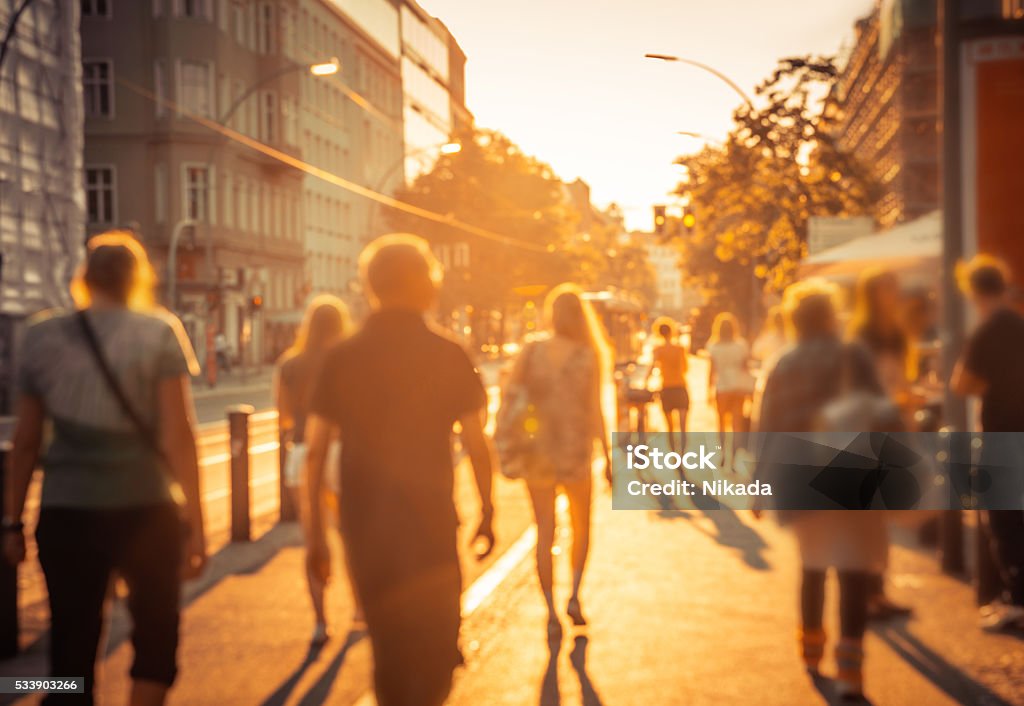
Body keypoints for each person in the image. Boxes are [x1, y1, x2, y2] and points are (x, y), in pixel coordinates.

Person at [2, 232, 207, 706]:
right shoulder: (158, 331)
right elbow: (179, 435)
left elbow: (26, 440)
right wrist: (196, 524)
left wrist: (12, 522)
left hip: (67, 513)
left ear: (84, 279)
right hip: (147, 510)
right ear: (137, 280)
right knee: (157, 637)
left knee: (71, 646)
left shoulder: (41, 336)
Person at [303, 234, 495, 706]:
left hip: (366, 530)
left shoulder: (342, 357)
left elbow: (314, 453)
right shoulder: (448, 354)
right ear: (426, 283)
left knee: (388, 652)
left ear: (371, 286)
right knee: (437, 646)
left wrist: (315, 536)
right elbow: (476, 442)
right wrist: (488, 509)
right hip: (430, 525)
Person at [753, 279, 889, 703]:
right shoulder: (855, 357)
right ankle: (851, 674)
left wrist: (758, 486)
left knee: (812, 568)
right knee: (852, 573)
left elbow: (765, 427)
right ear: (831, 317)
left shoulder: (782, 363)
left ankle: (811, 653)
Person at [506, 284, 612, 639]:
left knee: (545, 531)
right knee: (581, 526)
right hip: (575, 452)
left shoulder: (532, 351)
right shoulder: (587, 355)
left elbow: (510, 398)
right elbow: (596, 410)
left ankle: (550, 610)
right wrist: (609, 456)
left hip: (536, 454)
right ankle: (575, 595)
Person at [274, 294, 358, 645]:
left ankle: (320, 622)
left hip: (304, 454)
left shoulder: (290, 365)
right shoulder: (349, 360)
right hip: (342, 450)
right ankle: (360, 609)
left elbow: (284, 416)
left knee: (314, 538)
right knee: (350, 533)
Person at [952, 255, 1024, 632]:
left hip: (999, 435)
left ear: (973, 291)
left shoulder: (985, 331)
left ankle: (1015, 601)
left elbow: (964, 385)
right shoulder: (1019, 322)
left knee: (1003, 520)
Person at [848, 268, 915, 621]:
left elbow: (902, 381)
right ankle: (867, 593)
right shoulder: (861, 337)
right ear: (873, 295)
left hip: (893, 428)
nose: (895, 295)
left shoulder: (897, 336)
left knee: (882, 515)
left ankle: (878, 590)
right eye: (888, 289)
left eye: (895, 288)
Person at [706, 312, 754, 452]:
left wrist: (708, 391)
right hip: (739, 387)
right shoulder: (741, 345)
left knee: (721, 422)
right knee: (736, 424)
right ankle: (732, 456)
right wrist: (751, 391)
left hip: (722, 387)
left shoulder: (713, 346)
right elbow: (746, 369)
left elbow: (711, 371)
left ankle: (721, 452)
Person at [645, 317, 689, 453]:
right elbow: (685, 368)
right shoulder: (680, 348)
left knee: (670, 427)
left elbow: (652, 368)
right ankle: (683, 452)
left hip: (666, 388)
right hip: (680, 387)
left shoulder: (658, 350)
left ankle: (674, 454)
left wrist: (646, 382)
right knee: (683, 426)